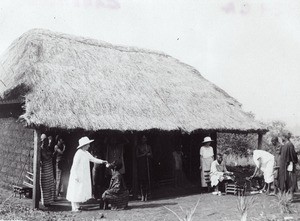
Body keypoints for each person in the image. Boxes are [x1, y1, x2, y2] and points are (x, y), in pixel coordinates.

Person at [66, 136, 108, 212]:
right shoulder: (78, 153)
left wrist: (102, 161)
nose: (89, 146)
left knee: (80, 190)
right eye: (88, 144)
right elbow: (74, 166)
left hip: (82, 175)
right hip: (77, 175)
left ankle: (77, 206)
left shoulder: (86, 153)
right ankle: (74, 207)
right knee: (75, 190)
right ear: (84, 145)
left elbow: (93, 159)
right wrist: (75, 176)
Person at [40, 134, 55, 207]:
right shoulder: (42, 148)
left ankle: (49, 201)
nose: (46, 142)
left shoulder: (47, 148)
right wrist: (50, 155)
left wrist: (50, 154)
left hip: (49, 168)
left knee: (49, 184)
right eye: (44, 141)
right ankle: (45, 202)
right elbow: (45, 157)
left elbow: (50, 155)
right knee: (45, 185)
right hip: (45, 168)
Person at [136, 135, 152, 201]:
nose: (144, 140)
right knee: (142, 179)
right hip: (141, 165)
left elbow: (151, 154)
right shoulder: (138, 147)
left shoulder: (148, 146)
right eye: (143, 138)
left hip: (147, 164)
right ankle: (142, 194)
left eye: (145, 138)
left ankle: (147, 194)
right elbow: (137, 156)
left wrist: (148, 154)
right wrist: (143, 155)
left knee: (147, 179)